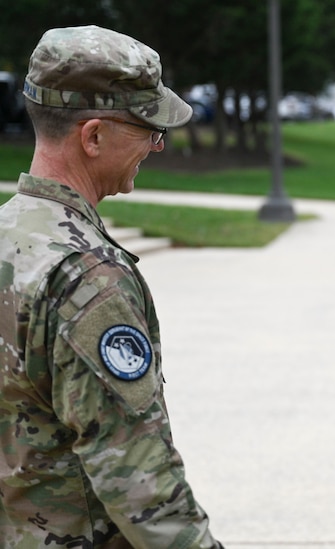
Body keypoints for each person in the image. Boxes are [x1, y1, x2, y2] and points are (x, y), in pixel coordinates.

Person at [0, 26, 223, 548]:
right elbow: (138, 479)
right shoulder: (86, 278)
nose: (158, 144)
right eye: (147, 128)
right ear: (93, 135)